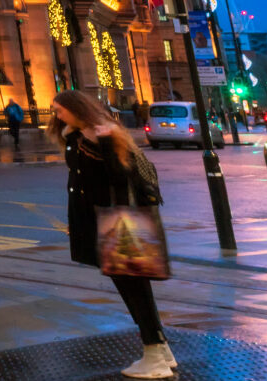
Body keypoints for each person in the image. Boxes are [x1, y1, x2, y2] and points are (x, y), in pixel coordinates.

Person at [49, 89, 173, 379]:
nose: (56, 115)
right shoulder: (77, 135)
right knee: (132, 286)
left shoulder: (105, 134)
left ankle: (154, 355)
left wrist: (104, 140)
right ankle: (162, 351)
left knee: (134, 288)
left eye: (59, 110)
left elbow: (120, 176)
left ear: (76, 109)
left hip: (119, 223)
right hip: (101, 220)